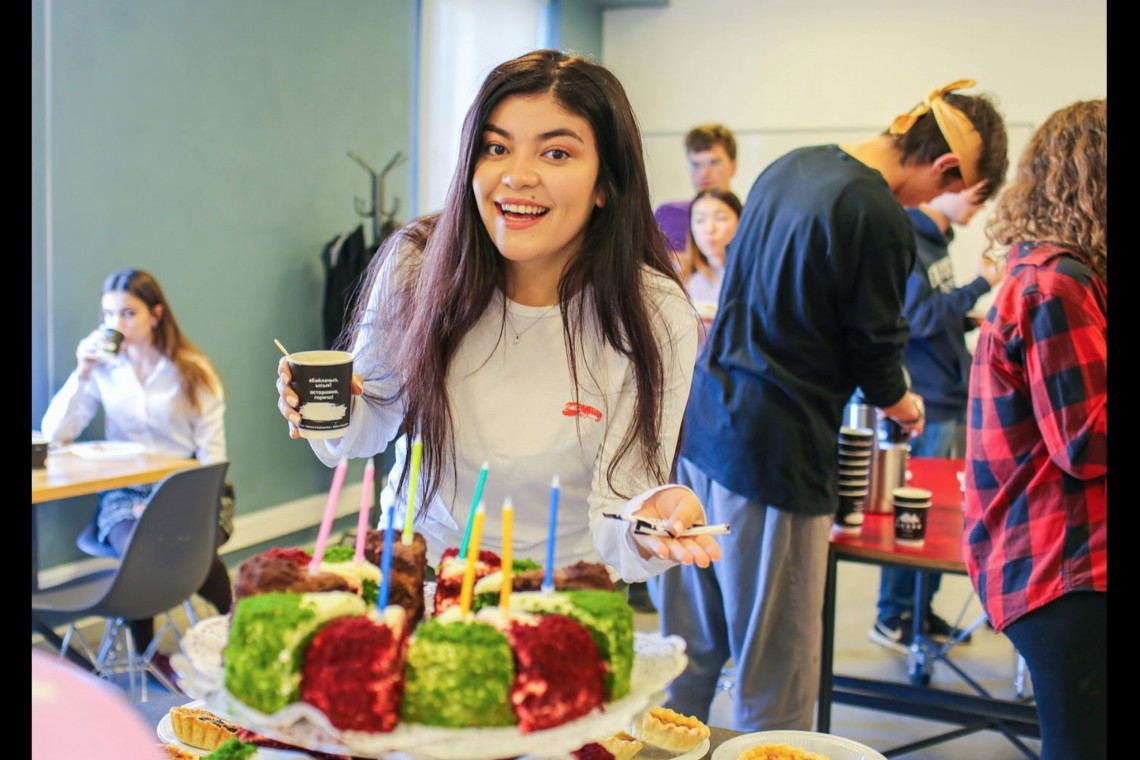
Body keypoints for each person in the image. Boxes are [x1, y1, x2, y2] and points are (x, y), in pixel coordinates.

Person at [275, 49, 721, 582]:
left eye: (556, 153)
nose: (517, 176)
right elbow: (367, 426)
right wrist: (326, 404)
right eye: (496, 148)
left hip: (562, 587)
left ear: (606, 183)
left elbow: (621, 504)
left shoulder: (653, 311)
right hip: (423, 571)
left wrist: (650, 522)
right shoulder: (418, 264)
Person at [650, 79, 1009, 731]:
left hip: (701, 429)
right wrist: (905, 406)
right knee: (776, 674)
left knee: (688, 653)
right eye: (959, 190)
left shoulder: (791, 166)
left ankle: (664, 746)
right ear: (944, 166)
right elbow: (877, 353)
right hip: (774, 455)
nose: (940, 204)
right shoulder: (879, 215)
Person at [964, 98, 1106, 759]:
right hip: (1064, 568)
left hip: (1064, 563)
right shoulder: (1056, 285)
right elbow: (1086, 441)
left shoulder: (1061, 275)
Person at [40, 269, 233, 666]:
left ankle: (236, 623)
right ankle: (148, 655)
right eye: (109, 315)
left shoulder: (192, 370)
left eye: (128, 313)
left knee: (188, 547)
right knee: (140, 548)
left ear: (156, 314)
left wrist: (172, 504)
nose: (118, 324)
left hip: (189, 486)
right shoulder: (104, 370)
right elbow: (54, 435)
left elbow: (212, 456)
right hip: (125, 492)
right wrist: (82, 372)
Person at [869, 181, 1006, 654]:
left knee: (938, 519)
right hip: (925, 401)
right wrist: (981, 284)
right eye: (975, 192)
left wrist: (969, 315)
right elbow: (919, 317)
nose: (979, 205)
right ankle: (893, 616)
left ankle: (920, 610)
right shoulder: (909, 239)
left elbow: (934, 315)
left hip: (950, 394)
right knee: (911, 515)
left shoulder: (937, 242)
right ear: (946, 183)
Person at [654, 123, 738, 268]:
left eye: (713, 163)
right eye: (696, 165)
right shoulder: (668, 215)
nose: (704, 173)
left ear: (733, 166)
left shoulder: (750, 218)